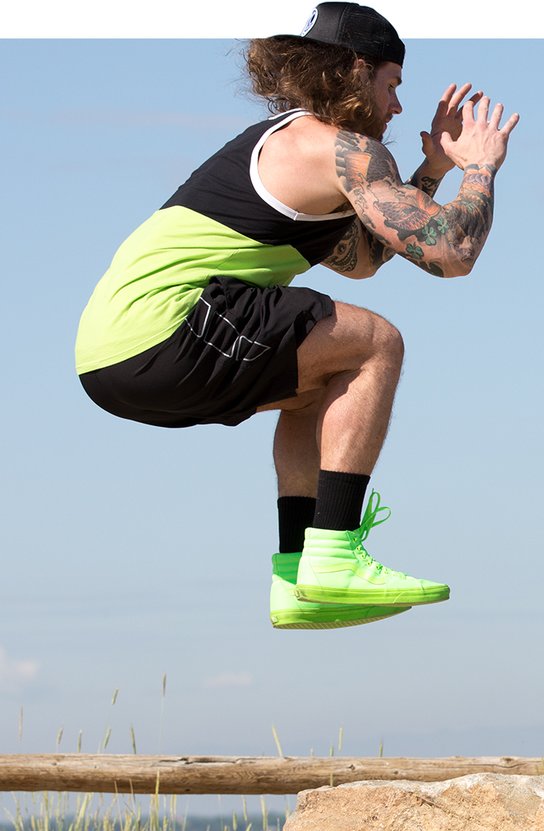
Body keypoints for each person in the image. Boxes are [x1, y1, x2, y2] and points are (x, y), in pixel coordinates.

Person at [75, 2, 519, 630]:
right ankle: (335, 557)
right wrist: (480, 168)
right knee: (376, 343)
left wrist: (432, 170)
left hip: (111, 358)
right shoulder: (340, 149)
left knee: (319, 383)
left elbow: (364, 257)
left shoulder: (292, 142)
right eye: (393, 85)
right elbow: (449, 253)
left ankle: (296, 576)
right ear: (357, 72)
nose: (397, 107)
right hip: (166, 329)